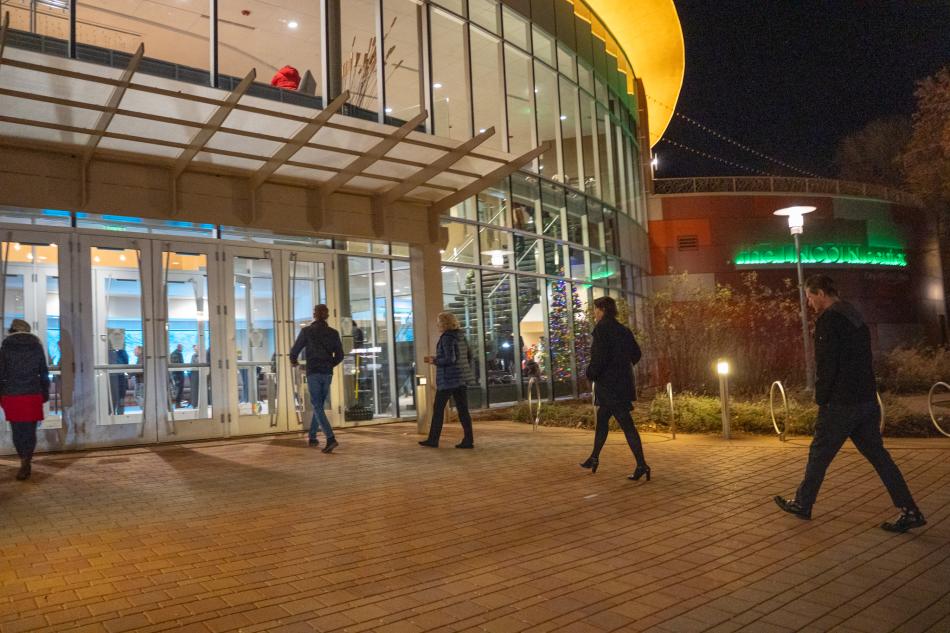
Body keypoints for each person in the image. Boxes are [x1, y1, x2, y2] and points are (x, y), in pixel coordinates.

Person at [774, 274, 926, 532]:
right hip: (865, 400)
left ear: (821, 294)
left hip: (841, 403)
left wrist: (821, 398)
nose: (809, 303)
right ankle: (910, 510)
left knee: (819, 454)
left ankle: (802, 503)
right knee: (880, 457)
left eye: (810, 297)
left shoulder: (829, 319)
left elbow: (827, 364)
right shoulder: (854, 315)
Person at [580, 296, 650, 480]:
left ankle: (642, 465)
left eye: (596, 309)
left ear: (603, 309)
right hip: (622, 384)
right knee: (603, 420)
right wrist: (622, 365)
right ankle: (594, 458)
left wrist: (591, 373)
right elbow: (636, 354)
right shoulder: (623, 330)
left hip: (609, 386)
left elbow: (599, 357)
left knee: (626, 425)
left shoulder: (602, 329)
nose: (594, 313)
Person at [0, 319, 50, 481]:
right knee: (30, 430)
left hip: (12, 394)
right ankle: (27, 460)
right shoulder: (36, 346)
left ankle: (23, 459)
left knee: (17, 430)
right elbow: (43, 372)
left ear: (12, 330)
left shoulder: (5, 346)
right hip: (32, 393)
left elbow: (1, 372)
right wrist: (45, 392)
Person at [290, 304, 344, 453]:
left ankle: (330, 438)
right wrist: (329, 364)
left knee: (317, 405)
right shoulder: (333, 333)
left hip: (313, 372)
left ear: (314, 315)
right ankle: (312, 436)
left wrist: (294, 361)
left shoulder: (307, 331)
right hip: (327, 373)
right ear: (327, 315)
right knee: (318, 404)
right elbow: (340, 355)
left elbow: (294, 351)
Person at [419, 311, 476, 449]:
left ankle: (433, 440)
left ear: (444, 323)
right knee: (463, 410)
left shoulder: (447, 338)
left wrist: (434, 360)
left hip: (448, 380)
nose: (437, 324)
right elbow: (469, 356)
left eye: (439, 322)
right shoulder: (461, 336)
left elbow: (450, 359)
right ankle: (468, 440)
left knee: (438, 410)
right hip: (461, 378)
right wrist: (462, 369)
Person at [108, 344, 129, 415]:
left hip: (119, 375)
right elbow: (126, 362)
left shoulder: (122, 352)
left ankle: (119, 413)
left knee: (120, 397)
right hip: (113, 376)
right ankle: (114, 413)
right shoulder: (110, 352)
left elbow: (126, 362)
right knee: (115, 396)